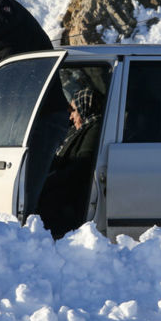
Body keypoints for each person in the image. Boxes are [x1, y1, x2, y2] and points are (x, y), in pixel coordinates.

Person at [38, 88, 105, 238]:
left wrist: (51, 180)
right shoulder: (80, 129)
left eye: (74, 110)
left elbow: (81, 165)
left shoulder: (94, 129)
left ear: (85, 108)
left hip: (71, 189)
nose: (71, 116)